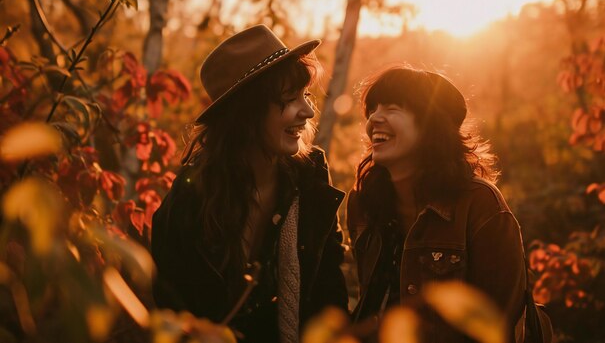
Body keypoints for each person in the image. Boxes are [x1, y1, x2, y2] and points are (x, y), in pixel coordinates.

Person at [151, 25, 348, 343]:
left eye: (305, 95)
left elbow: (330, 296)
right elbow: (173, 316)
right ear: (246, 113)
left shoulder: (310, 181)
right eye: (289, 99)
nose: (308, 111)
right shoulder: (188, 202)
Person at [347, 66, 528, 343]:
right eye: (372, 109)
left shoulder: (481, 206)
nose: (375, 118)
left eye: (392, 108)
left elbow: (498, 325)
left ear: (431, 126)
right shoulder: (363, 202)